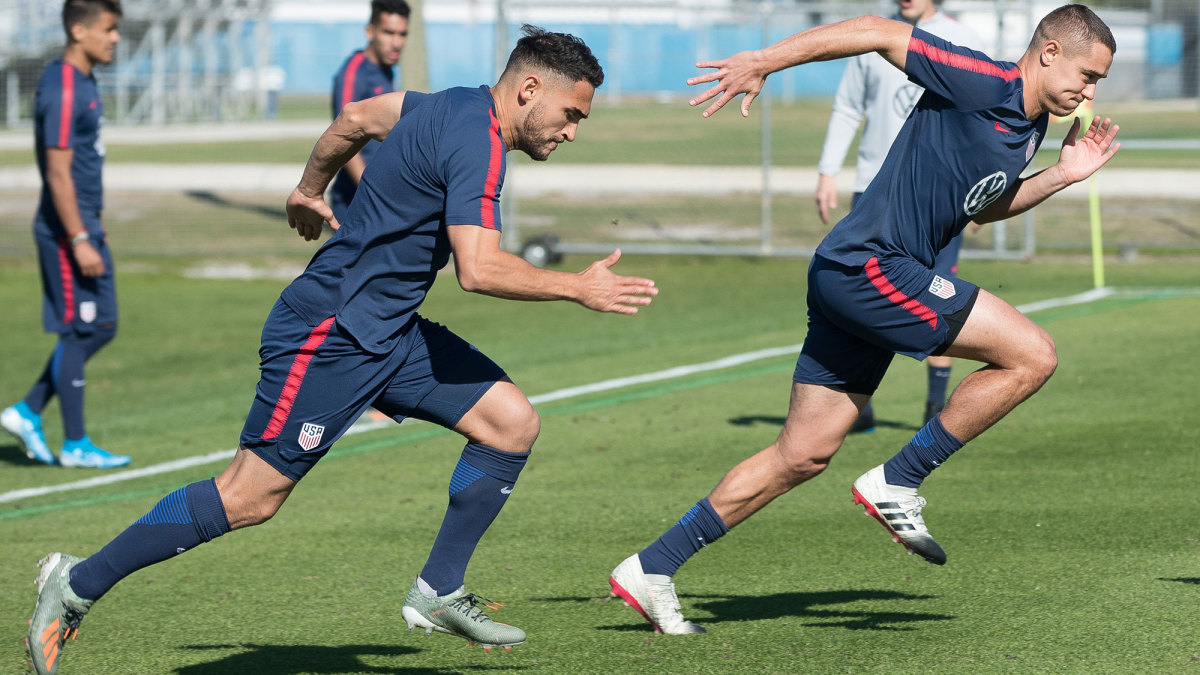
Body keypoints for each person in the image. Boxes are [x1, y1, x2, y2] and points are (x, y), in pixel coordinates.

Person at [27, 25, 658, 673]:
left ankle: (438, 588)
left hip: (389, 331)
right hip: (329, 333)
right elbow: (479, 268)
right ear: (529, 89)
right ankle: (77, 582)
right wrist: (577, 287)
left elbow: (356, 118)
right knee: (251, 496)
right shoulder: (480, 142)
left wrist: (310, 187)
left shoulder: (445, 102)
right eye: (571, 113)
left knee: (510, 422)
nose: (572, 130)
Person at [610, 4, 1119, 634]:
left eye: (1100, 81)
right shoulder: (986, 80)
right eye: (1088, 74)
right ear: (1049, 53)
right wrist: (763, 61)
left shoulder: (1030, 124)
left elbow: (982, 209)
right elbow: (878, 30)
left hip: (853, 275)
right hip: (870, 267)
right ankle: (898, 479)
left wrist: (1062, 176)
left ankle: (652, 566)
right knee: (1033, 354)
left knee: (801, 455)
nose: (1091, 91)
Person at [816, 0, 983, 433]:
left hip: (935, 197)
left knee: (941, 294)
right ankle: (856, 405)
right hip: (873, 189)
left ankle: (934, 404)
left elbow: (983, 121)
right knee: (865, 296)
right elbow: (849, 106)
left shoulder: (963, 39)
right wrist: (827, 171)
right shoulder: (873, 36)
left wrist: (981, 196)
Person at [1, 0, 130, 470]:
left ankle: (28, 409)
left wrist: (94, 223)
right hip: (63, 234)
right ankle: (75, 443)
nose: (116, 38)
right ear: (79, 30)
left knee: (105, 324)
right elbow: (57, 174)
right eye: (109, 29)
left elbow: (82, 166)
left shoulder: (87, 81)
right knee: (80, 328)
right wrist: (77, 236)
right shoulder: (63, 88)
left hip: (87, 224)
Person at [329, 0, 410, 224]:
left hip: (382, 198)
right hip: (357, 201)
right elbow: (342, 138)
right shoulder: (353, 72)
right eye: (388, 32)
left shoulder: (386, 72)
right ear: (370, 31)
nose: (396, 43)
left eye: (402, 34)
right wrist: (376, 195)